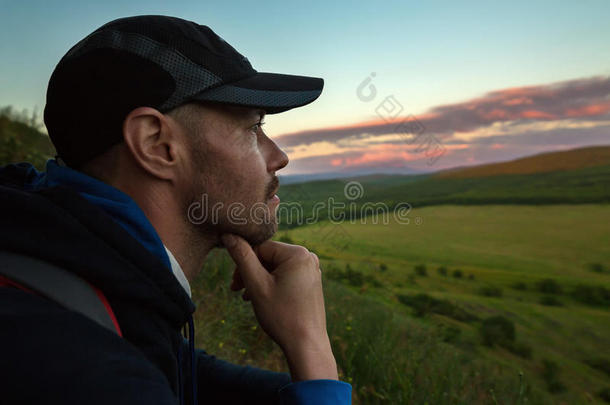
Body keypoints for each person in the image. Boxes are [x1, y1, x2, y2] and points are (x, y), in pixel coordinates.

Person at [0, 15, 352, 405]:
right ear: (156, 144)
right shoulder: (89, 372)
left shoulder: (88, 280)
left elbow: (189, 375)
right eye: (253, 129)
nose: (279, 157)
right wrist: (312, 347)